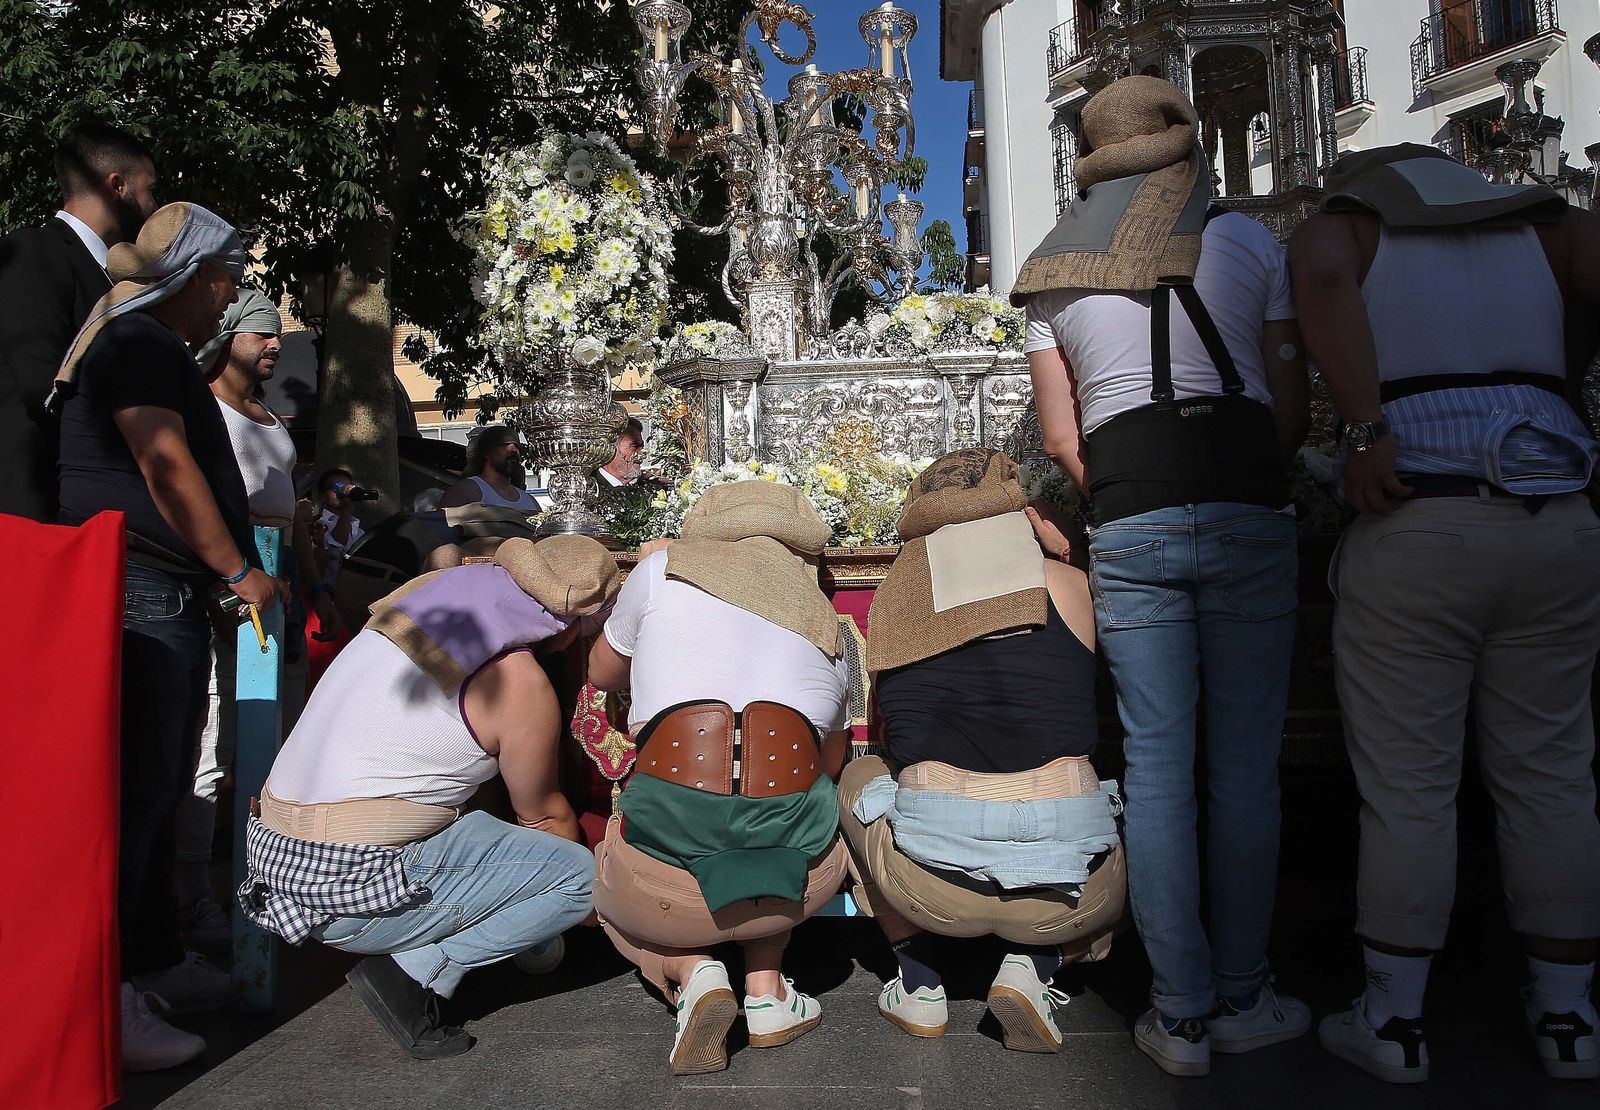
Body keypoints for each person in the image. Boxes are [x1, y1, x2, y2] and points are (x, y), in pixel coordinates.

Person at [1015, 76, 1312, 1077]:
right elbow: (1289, 411)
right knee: (1242, 767)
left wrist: (1138, 487)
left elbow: (1062, 436)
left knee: (1155, 767)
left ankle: (1178, 1014)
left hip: (1132, 509)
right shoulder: (1249, 240)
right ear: (1183, 148)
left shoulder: (1052, 267)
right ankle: (1244, 994)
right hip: (1244, 503)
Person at [1289, 143, 1600, 1084]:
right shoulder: (1548, 231)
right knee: (1553, 775)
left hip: (1421, 516)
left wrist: (1364, 422)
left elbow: (1323, 272)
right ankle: (1568, 1019)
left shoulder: (1351, 225)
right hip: (1555, 515)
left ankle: (1395, 1022)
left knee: (1409, 785)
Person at [54, 201, 284, 1071]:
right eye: (226, 276)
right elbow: (164, 462)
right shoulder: (141, 343)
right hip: (146, 586)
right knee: (141, 791)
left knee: (156, 785)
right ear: (198, 276)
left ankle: (148, 963)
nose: (229, 295)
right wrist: (236, 568)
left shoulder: (140, 343)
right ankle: (109, 996)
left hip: (157, 589)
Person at [241, 536, 618, 1060]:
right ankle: (412, 976)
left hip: (275, 857)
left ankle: (415, 940)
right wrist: (585, 910)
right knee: (580, 880)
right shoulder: (517, 680)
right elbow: (545, 820)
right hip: (347, 888)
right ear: (569, 624)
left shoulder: (411, 612)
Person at [839, 448, 1126, 1054]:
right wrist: (1065, 540)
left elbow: (890, 728)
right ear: (1018, 507)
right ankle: (1035, 965)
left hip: (930, 889)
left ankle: (918, 983)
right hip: (1070, 897)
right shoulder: (1071, 586)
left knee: (859, 774)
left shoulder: (894, 599)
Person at [585, 481, 852, 1075]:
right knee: (777, 822)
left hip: (668, 884)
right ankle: (767, 989)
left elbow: (600, 671)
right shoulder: (828, 621)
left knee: (604, 876)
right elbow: (829, 765)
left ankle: (691, 971)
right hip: (795, 887)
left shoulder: (658, 573)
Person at [173, 290, 323, 946]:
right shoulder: (198, 407)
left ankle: (265, 884)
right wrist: (225, 578)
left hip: (279, 587)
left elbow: (283, 508)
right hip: (227, 586)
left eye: (277, 336)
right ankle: (188, 902)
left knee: (270, 745)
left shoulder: (266, 415)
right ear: (229, 335)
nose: (273, 344)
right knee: (212, 747)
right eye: (262, 334)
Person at [0, 123, 157, 520]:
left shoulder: (110, 274)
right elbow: (45, 385)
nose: (154, 207)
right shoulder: (34, 250)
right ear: (117, 185)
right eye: (150, 189)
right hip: (40, 514)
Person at [439, 424, 547, 511]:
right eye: (504, 444)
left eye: (517, 445)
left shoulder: (530, 501)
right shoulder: (465, 491)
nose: (513, 450)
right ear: (486, 453)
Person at [315, 465, 367, 590]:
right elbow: (336, 546)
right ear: (323, 496)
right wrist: (346, 510)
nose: (342, 493)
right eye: (337, 488)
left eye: (347, 489)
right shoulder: (317, 524)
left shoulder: (359, 531)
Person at [597, 416, 645, 488]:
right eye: (634, 446)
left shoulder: (645, 488)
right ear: (609, 449)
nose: (642, 454)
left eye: (642, 446)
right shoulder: (588, 490)